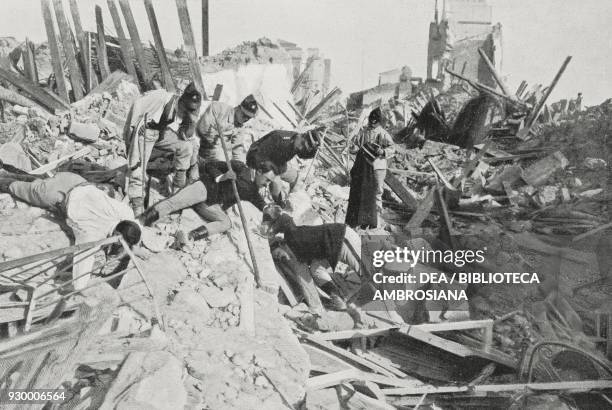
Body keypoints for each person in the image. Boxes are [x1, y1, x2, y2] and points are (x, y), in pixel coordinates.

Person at [0, 171, 141, 290]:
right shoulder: (93, 233)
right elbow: (84, 257)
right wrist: (80, 287)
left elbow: (136, 224)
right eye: (120, 243)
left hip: (75, 180)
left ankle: (8, 173)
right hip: (56, 195)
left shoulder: (125, 211)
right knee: (16, 188)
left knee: (37, 181)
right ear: (116, 235)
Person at [140, 160, 276, 242]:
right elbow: (209, 165)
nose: (267, 184)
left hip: (212, 204)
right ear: (258, 171)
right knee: (173, 202)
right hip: (204, 188)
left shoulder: (253, 189)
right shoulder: (239, 167)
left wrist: (266, 208)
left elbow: (258, 200)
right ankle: (141, 221)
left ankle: (190, 237)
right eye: (267, 179)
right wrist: (223, 176)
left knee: (226, 223)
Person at [262, 205, 362, 311]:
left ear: (281, 246)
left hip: (342, 237)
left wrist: (315, 307)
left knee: (367, 272)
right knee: (316, 270)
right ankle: (339, 298)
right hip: (330, 247)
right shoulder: (292, 240)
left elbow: (304, 278)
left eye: (278, 254)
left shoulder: (292, 240)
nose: (281, 258)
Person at [123, 83, 202, 215]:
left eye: (191, 111)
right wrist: (130, 136)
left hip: (160, 132)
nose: (187, 113)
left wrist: (190, 121)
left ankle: (177, 193)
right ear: (181, 102)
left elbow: (186, 135)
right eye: (186, 110)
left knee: (186, 146)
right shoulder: (159, 97)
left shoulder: (189, 110)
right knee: (138, 167)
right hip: (146, 130)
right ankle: (137, 205)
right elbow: (136, 108)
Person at [346, 107, 394, 228]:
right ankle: (360, 219)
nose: (372, 122)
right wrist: (353, 148)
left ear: (379, 121)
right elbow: (357, 145)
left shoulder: (383, 133)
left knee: (377, 190)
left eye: (375, 120)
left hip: (377, 166)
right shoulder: (364, 131)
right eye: (371, 119)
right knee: (361, 190)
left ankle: (375, 219)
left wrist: (382, 151)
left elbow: (392, 148)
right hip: (363, 166)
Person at [246, 128, 320, 203]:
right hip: (261, 160)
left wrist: (313, 153)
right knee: (277, 185)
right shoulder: (279, 138)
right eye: (302, 144)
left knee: (296, 178)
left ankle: (291, 204)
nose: (301, 148)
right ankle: (278, 203)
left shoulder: (298, 143)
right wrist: (264, 179)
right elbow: (259, 156)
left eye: (304, 148)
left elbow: (303, 156)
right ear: (300, 136)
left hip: (278, 164)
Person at [196, 94, 258, 162]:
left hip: (221, 154)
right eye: (244, 115)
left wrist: (239, 163)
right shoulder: (218, 108)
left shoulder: (241, 127)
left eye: (248, 118)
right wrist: (220, 145)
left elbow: (236, 147)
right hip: (202, 146)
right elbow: (203, 128)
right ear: (238, 108)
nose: (246, 119)